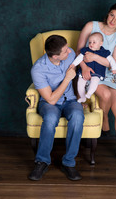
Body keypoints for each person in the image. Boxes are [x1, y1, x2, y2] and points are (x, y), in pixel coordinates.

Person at [76, 2, 116, 167]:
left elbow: (113, 63)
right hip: (90, 71)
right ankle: (104, 117)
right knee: (105, 95)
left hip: (108, 74)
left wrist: (95, 58)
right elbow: (79, 50)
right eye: (112, 15)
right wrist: (85, 67)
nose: (113, 20)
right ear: (108, 14)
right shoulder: (91, 26)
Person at [29, 35, 84, 181]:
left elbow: (82, 67)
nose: (70, 52)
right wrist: (67, 79)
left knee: (78, 116)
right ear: (55, 56)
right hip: (49, 103)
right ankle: (42, 161)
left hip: (71, 100)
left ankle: (68, 163)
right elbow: (51, 99)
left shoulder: (70, 53)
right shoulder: (38, 69)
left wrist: (82, 97)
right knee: (51, 118)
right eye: (65, 51)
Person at [71, 32, 116, 103]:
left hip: (97, 72)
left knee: (95, 81)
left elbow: (111, 60)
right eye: (90, 42)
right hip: (85, 71)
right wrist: (73, 64)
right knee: (80, 83)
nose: (91, 44)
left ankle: (89, 93)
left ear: (100, 43)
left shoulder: (104, 52)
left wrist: (114, 68)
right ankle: (82, 97)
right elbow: (79, 58)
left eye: (94, 42)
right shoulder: (86, 50)